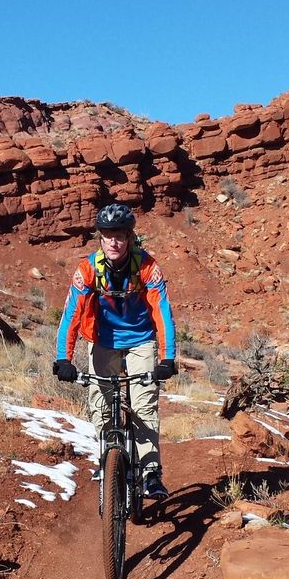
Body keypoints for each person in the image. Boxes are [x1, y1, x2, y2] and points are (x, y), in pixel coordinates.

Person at [53, 202, 176, 499]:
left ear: (130, 238)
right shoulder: (88, 270)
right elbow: (71, 315)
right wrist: (63, 359)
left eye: (119, 236)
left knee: (144, 405)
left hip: (140, 339)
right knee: (101, 403)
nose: (113, 242)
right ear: (100, 238)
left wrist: (167, 358)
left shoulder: (147, 267)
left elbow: (163, 312)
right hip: (102, 340)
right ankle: (106, 458)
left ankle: (150, 472)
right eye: (107, 236)